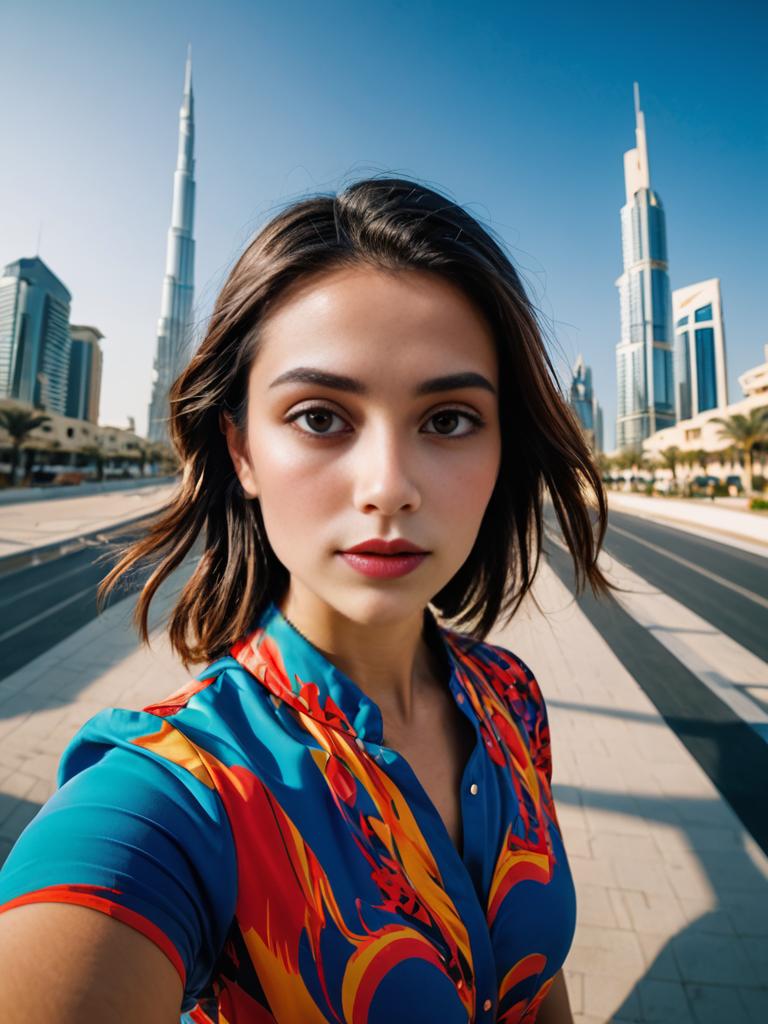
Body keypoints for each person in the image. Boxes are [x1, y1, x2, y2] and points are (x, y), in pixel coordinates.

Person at [0, 176, 611, 1023]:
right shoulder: (179, 799)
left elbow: (535, 983)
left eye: (448, 420)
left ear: (505, 443)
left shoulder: (512, 701)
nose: (388, 487)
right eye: (321, 417)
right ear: (242, 451)